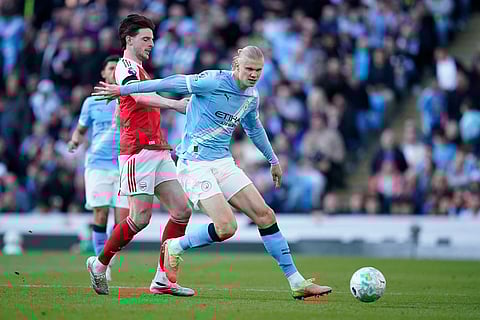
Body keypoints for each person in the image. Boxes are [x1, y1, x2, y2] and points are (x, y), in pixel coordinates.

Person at [93, 45, 332, 299]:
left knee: (265, 215)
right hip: (194, 164)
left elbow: (255, 128)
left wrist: (273, 160)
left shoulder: (251, 97)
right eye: (249, 69)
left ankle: (296, 281)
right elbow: (170, 82)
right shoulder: (212, 80)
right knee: (227, 226)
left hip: (223, 163)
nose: (253, 75)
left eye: (258, 71)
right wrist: (124, 89)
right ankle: (175, 246)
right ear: (236, 66)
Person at [86, 14, 194, 297]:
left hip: (157, 148)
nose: (151, 44)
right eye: (146, 39)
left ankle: (162, 279)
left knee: (182, 211)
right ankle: (99, 265)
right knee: (140, 219)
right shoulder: (124, 68)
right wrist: (174, 104)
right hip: (138, 152)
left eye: (153, 39)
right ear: (129, 39)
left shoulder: (141, 69)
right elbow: (139, 97)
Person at [68, 55, 129, 281]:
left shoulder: (129, 99)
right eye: (111, 68)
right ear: (103, 73)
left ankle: (105, 255)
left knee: (123, 221)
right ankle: (102, 265)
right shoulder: (91, 102)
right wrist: (75, 140)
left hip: (124, 164)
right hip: (98, 164)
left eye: (118, 69)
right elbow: (81, 129)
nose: (114, 72)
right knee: (100, 211)